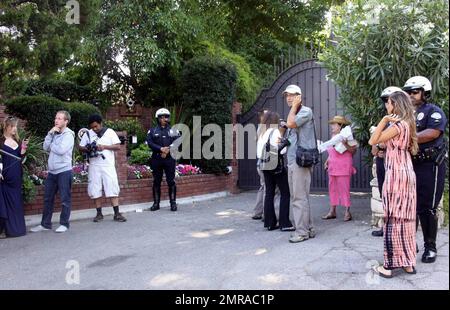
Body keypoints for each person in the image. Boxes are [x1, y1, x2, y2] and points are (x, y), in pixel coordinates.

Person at [369, 91, 418, 278]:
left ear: (395, 105)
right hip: (407, 173)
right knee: (406, 219)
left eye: (388, 103)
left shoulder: (398, 125)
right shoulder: (408, 124)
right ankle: (408, 263)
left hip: (396, 175)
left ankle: (389, 266)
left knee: (393, 218)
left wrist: (383, 120)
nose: (386, 106)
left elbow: (373, 140)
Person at [403, 76, 447, 264]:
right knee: (410, 207)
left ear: (425, 92)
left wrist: (408, 137)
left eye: (415, 91)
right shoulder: (403, 114)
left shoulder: (433, 111)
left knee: (427, 208)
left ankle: (430, 247)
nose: (411, 95)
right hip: (409, 165)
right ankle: (410, 243)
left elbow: (433, 132)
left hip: (430, 165)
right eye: (408, 92)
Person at [30, 111, 75, 233]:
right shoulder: (54, 133)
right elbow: (45, 147)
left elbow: (61, 150)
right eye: (56, 118)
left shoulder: (69, 135)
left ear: (66, 121)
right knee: (47, 199)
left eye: (60, 118)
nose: (56, 120)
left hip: (64, 171)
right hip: (52, 172)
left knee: (65, 199)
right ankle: (45, 224)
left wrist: (52, 145)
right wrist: (50, 134)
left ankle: (64, 224)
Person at [284, 84, 317, 243]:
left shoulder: (305, 111)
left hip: (300, 161)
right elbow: (293, 135)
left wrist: (294, 107)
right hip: (293, 160)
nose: (289, 98)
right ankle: (308, 228)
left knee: (298, 198)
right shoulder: (295, 112)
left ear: (299, 96)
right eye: (287, 95)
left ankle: (301, 232)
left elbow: (291, 124)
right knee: (300, 196)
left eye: (292, 95)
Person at [79, 114, 126, 223]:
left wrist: (104, 147)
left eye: (96, 126)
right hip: (94, 165)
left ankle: (117, 213)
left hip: (107, 165)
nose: (94, 129)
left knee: (112, 187)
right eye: (92, 127)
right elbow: (80, 147)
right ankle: (99, 214)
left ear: (101, 123)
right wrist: (88, 148)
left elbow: (118, 146)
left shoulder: (109, 132)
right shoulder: (88, 134)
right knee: (95, 188)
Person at [371, 86, 403, 237]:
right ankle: (387, 227)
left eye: (389, 101)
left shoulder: (403, 122)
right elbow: (374, 146)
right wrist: (378, 146)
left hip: (397, 166)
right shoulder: (388, 120)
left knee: (399, 200)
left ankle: (404, 236)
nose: (386, 104)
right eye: (385, 101)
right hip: (383, 162)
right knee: (385, 195)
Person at [257, 111, 294, 231]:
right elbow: (281, 151)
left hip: (264, 165)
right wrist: (285, 142)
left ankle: (269, 222)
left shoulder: (262, 133)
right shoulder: (275, 132)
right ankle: (284, 223)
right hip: (276, 165)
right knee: (285, 193)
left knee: (269, 193)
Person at [322, 116, 357, 222]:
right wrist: (327, 160)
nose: (332, 126)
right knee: (332, 189)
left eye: (334, 124)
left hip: (343, 166)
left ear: (340, 125)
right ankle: (332, 211)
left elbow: (353, 151)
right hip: (333, 166)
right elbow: (331, 151)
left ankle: (347, 212)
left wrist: (345, 143)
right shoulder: (334, 136)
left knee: (344, 189)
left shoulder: (348, 136)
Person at [146, 108, 180, 212]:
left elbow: (178, 141)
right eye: (161, 117)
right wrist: (161, 149)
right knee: (157, 181)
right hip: (156, 159)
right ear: (158, 118)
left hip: (169, 159)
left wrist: (168, 150)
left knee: (171, 181)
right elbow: (149, 143)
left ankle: (173, 203)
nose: (164, 118)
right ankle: (156, 203)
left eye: (166, 116)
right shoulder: (152, 130)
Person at [0, 116, 28, 238]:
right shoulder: (0, 141)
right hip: (4, 179)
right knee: (5, 205)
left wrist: (23, 149)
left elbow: (20, 159)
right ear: (6, 127)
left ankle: (17, 230)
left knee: (16, 203)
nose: (15, 129)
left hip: (16, 177)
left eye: (16, 126)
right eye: (12, 126)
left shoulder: (17, 141)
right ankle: (5, 230)